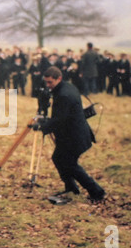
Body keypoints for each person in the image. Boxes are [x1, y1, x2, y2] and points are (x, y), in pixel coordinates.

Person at [38, 66, 106, 203]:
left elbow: (59, 120)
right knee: (58, 158)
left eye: (50, 82)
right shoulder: (66, 87)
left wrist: (43, 126)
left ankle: (97, 192)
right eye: (46, 82)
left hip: (75, 136)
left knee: (69, 163)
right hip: (71, 134)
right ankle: (71, 188)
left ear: (59, 78)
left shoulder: (64, 94)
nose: (48, 85)